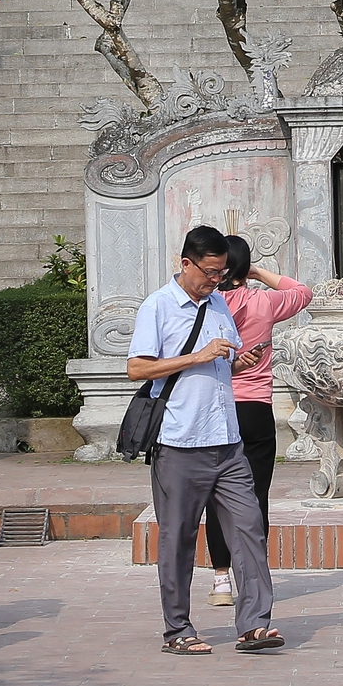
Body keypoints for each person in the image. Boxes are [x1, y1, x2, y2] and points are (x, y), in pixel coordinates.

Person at [128, 224, 280, 654]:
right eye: (210, 272)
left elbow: (221, 364)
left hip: (228, 442)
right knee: (177, 538)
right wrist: (197, 356)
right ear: (186, 263)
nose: (216, 280)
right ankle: (178, 630)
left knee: (249, 529)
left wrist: (240, 362)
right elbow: (137, 368)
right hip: (179, 442)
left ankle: (255, 624)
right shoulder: (158, 306)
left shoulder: (218, 304)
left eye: (222, 272)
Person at [203, 234, 311, 609]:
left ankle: (220, 580)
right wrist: (259, 273)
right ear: (244, 267)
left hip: (218, 406)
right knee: (255, 495)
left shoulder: (210, 306)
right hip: (256, 408)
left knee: (217, 496)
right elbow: (302, 292)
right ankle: (253, 575)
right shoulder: (262, 302)